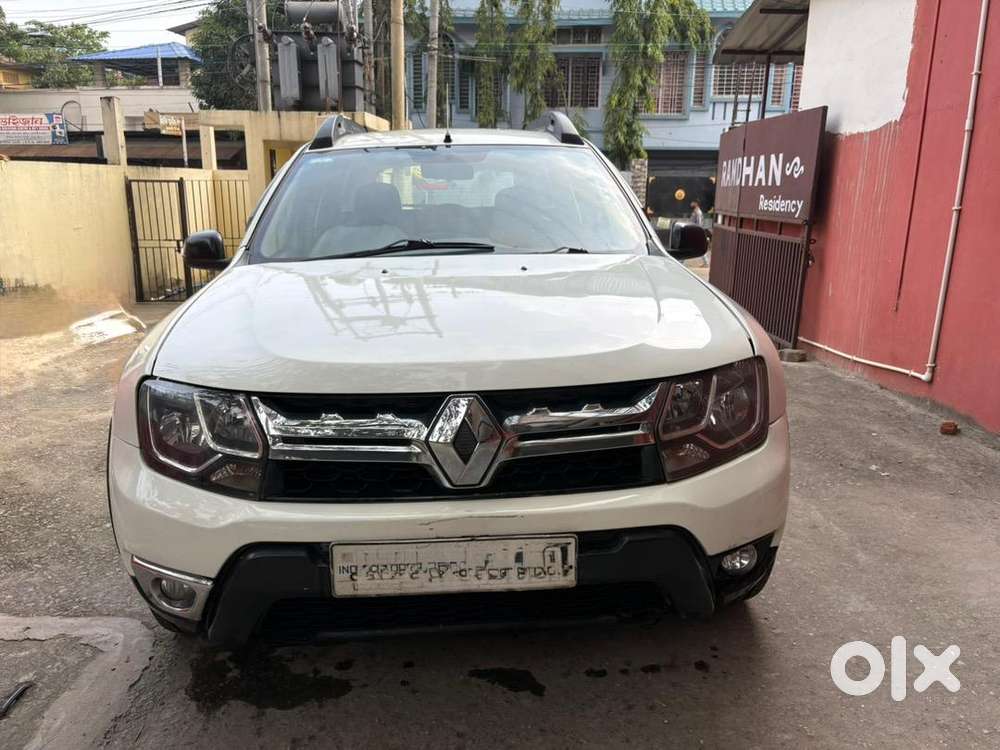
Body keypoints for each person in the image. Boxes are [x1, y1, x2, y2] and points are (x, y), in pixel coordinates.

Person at [690, 201, 709, 267]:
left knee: (699, 247)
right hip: (694, 230)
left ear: (696, 204)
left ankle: (706, 262)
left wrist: (698, 231)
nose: (691, 204)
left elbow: (699, 223)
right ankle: (706, 262)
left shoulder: (698, 212)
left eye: (692, 203)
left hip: (696, 231)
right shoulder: (695, 211)